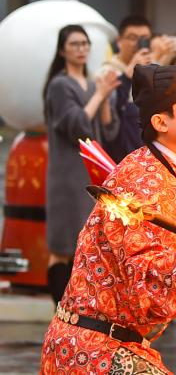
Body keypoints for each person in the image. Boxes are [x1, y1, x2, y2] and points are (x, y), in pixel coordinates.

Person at [40, 64, 176, 373]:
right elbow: (144, 287)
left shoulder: (169, 173)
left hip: (109, 344)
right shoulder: (143, 179)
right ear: (161, 122)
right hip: (94, 352)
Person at [42, 25, 119, 304]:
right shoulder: (60, 85)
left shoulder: (91, 82)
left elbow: (108, 130)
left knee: (86, 243)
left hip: (89, 174)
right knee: (63, 245)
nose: (81, 49)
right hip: (67, 175)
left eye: (84, 44)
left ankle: (77, 307)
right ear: (62, 50)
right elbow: (77, 126)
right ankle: (60, 308)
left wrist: (105, 96)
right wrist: (99, 94)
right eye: (74, 44)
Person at [103, 16, 170, 161]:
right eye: (133, 38)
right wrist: (132, 70)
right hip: (120, 153)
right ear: (119, 41)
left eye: (144, 38)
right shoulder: (107, 71)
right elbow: (113, 112)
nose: (139, 43)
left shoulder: (153, 67)